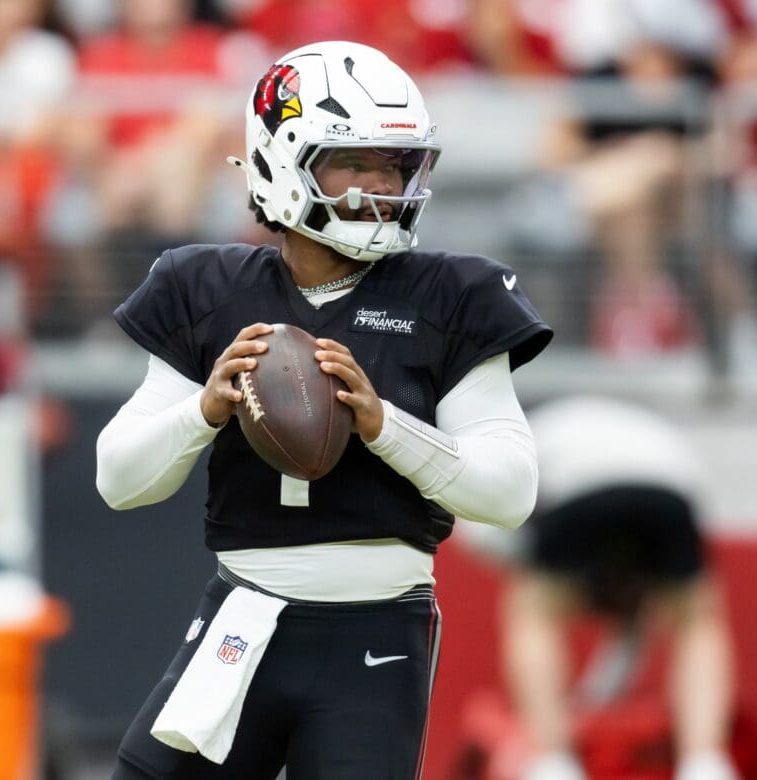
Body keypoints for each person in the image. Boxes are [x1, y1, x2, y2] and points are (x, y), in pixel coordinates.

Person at [95, 40, 552, 779]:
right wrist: (203, 411)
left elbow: (510, 493)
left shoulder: (453, 294)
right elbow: (119, 479)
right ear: (281, 162)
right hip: (242, 616)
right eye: (355, 163)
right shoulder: (204, 287)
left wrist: (383, 425)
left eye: (396, 165)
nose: (383, 185)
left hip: (378, 631)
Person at [457, 397, 737, 780]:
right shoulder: (627, 427)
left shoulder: (518, 440)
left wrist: (554, 582)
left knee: (533, 611)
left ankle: (551, 760)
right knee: (696, 620)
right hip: (671, 490)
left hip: (581, 488)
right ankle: (705, 762)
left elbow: (484, 532)